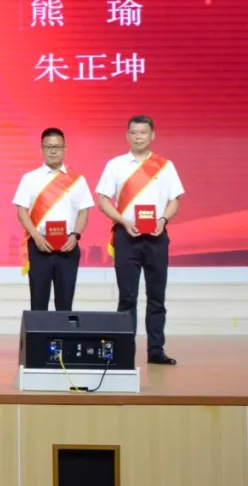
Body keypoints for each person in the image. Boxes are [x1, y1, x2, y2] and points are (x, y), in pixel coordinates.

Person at [96, 115, 185, 366]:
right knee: (127, 296)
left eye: (143, 132)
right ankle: (124, 351)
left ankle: (156, 350)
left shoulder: (165, 166)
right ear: (127, 135)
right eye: (134, 132)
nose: (138, 137)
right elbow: (103, 200)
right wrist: (123, 221)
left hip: (156, 237)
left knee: (157, 296)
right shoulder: (115, 165)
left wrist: (163, 220)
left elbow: (174, 199)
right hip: (126, 236)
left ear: (152, 135)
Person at [12, 128, 94, 312]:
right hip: (39, 245)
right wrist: (36, 237)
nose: (53, 151)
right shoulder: (30, 178)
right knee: (38, 303)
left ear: (65, 148)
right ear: (42, 149)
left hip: (68, 245)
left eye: (57, 147)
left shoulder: (77, 180)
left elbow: (84, 212)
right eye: (48, 147)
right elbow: (21, 211)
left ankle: (62, 333)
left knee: (65, 304)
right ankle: (39, 333)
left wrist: (75, 236)